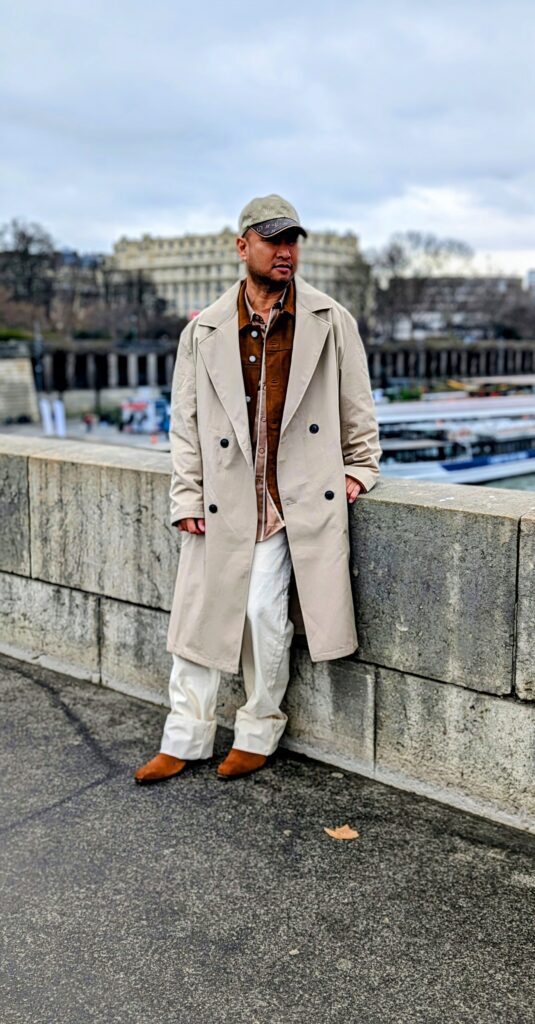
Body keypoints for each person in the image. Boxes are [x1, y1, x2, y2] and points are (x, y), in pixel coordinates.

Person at [134, 194, 381, 785]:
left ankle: (257, 729)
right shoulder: (203, 330)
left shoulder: (331, 319)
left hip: (285, 502)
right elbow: (186, 424)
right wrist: (188, 497)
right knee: (198, 620)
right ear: (242, 246)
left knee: (263, 617)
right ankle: (185, 737)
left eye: (292, 239)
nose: (285, 251)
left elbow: (358, 409)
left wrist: (359, 469)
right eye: (272, 240)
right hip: (223, 496)